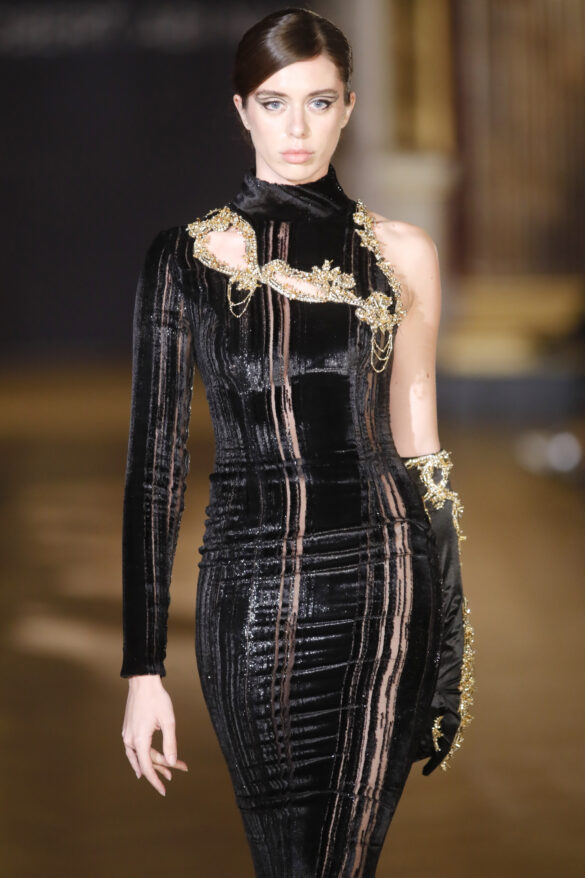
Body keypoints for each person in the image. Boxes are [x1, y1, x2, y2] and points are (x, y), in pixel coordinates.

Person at [120, 7, 475, 876]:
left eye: (319, 102)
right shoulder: (186, 259)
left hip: (385, 587)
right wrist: (142, 671)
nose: (297, 128)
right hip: (251, 597)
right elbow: (156, 469)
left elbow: (420, 449)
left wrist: (450, 645)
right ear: (241, 109)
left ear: (348, 107)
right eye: (275, 103)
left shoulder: (402, 253)